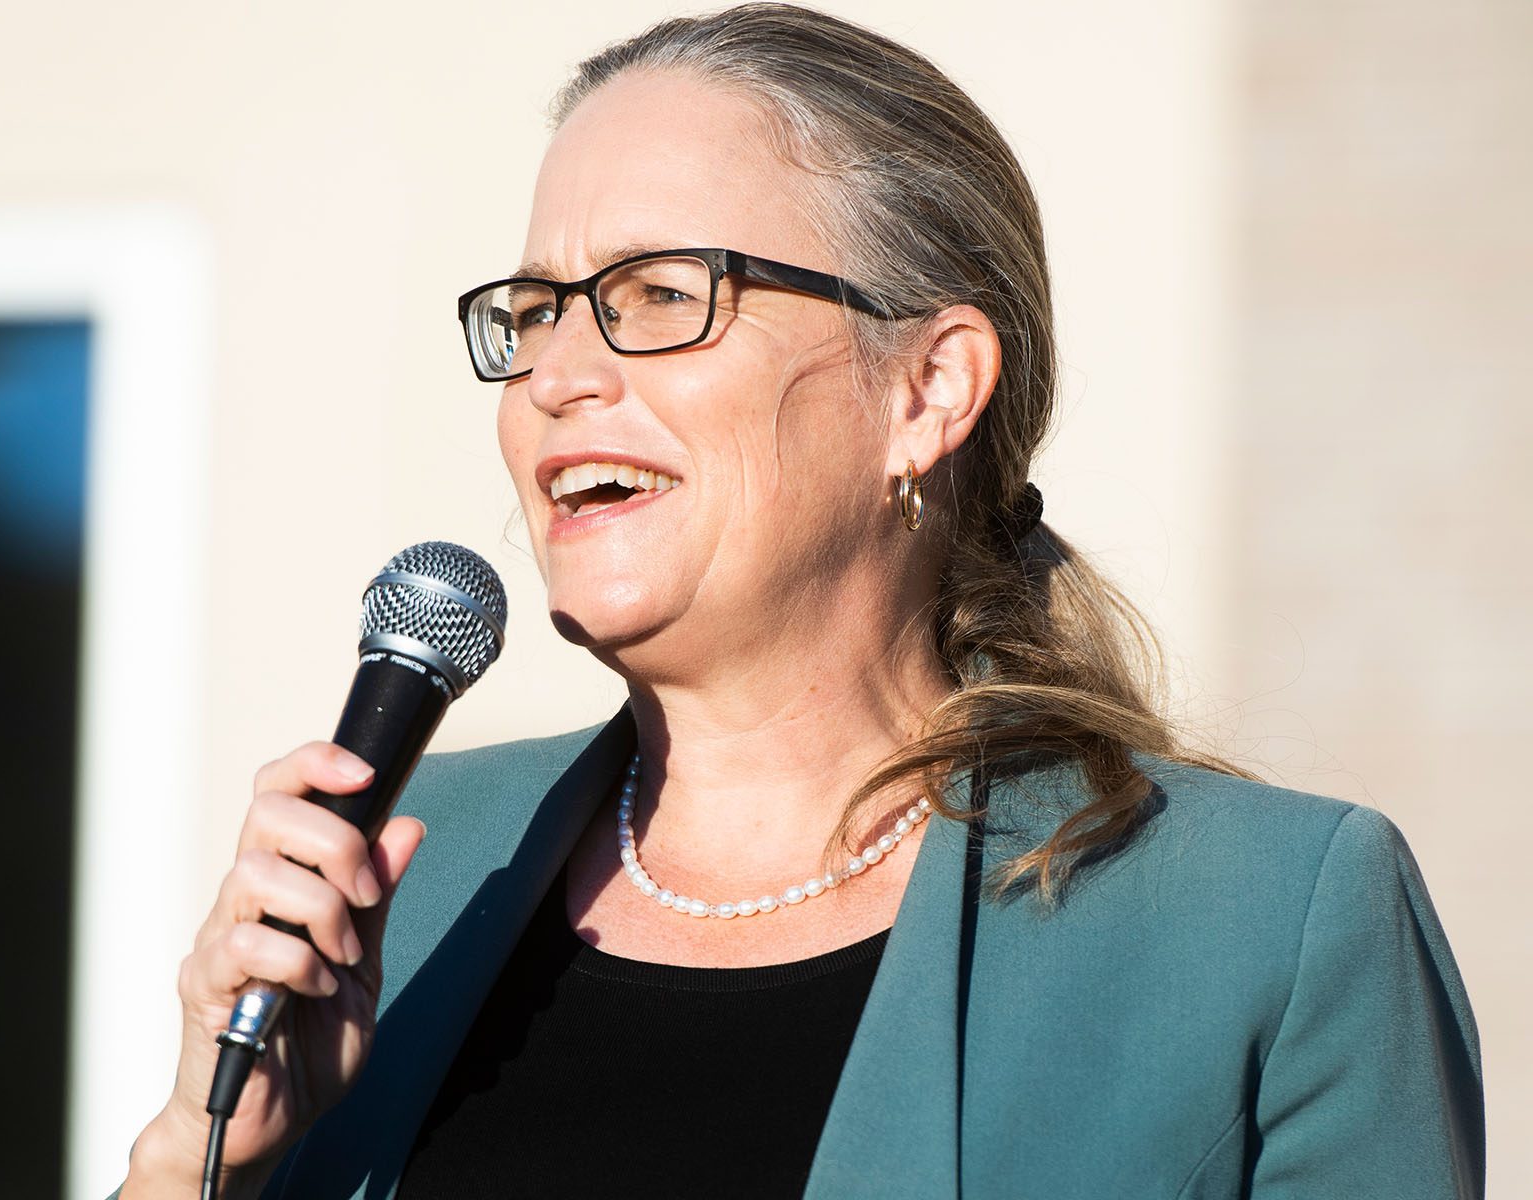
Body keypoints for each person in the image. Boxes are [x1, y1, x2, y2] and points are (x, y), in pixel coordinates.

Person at [115, 5, 1484, 1197]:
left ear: (928, 389)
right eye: (536, 310)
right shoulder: (405, 876)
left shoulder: (1262, 923)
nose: (556, 374)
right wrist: (201, 1153)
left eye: (658, 294)